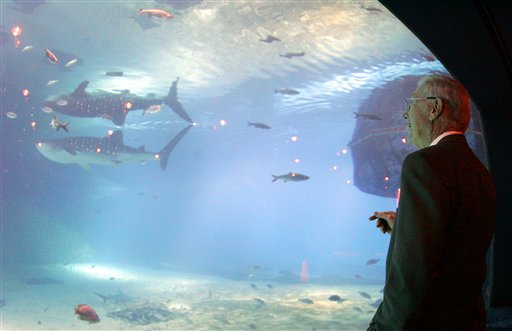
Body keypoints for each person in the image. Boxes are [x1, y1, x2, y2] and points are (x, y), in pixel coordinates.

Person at [367, 74, 496, 330]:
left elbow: (411, 276)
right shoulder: (479, 171)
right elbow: (455, 244)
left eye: (411, 103)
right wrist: (402, 226)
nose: (405, 115)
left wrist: (381, 327)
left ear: (434, 108)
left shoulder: (422, 164)